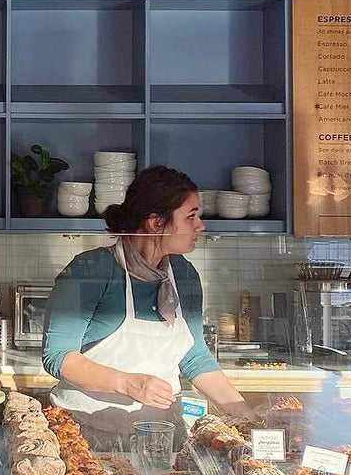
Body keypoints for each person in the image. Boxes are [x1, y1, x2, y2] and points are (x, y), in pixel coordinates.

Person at [41, 165, 250, 449]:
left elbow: (194, 357)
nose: (200, 226)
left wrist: (246, 416)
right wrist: (129, 384)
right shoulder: (91, 270)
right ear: (156, 223)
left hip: (160, 438)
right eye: (190, 217)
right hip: (85, 435)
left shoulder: (184, 274)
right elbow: (58, 356)